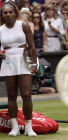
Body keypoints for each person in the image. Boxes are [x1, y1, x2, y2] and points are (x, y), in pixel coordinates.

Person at [0, 1, 38, 137]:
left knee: (26, 95)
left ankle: (29, 127)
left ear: (15, 13)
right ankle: (14, 127)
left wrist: (34, 64)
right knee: (11, 96)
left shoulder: (24, 25)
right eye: (5, 13)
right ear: (2, 15)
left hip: (24, 60)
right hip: (8, 62)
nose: (8, 14)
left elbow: (32, 46)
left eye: (10, 12)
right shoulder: (0, 29)